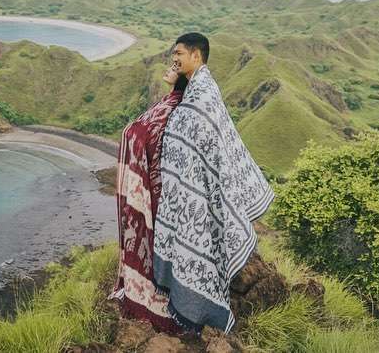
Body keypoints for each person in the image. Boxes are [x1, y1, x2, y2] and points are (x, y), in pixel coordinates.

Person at [154, 32, 275, 333]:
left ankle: (202, 312)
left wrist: (197, 178)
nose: (175, 58)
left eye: (179, 53)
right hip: (193, 187)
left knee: (205, 248)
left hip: (202, 189)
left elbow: (209, 141)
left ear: (196, 55)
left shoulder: (205, 93)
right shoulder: (195, 88)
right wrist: (173, 85)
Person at [109, 59, 190, 333]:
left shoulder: (174, 108)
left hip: (156, 190)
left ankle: (152, 300)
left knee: (151, 241)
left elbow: (144, 136)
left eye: (176, 64)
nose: (169, 67)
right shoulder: (171, 104)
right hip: (157, 187)